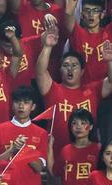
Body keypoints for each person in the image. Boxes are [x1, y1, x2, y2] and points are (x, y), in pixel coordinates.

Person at [36, 15, 112, 149]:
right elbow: (41, 72)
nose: (70, 68)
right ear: (60, 70)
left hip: (88, 153)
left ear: (82, 71)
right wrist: (47, 47)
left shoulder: (93, 90)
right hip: (56, 152)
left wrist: (110, 62)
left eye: (74, 65)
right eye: (65, 65)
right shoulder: (52, 89)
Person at [48, 109, 100, 185]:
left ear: (91, 126)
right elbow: (54, 171)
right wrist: (49, 147)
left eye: (83, 123)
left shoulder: (98, 149)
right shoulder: (65, 150)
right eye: (74, 123)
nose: (79, 127)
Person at [65, 0, 112, 82]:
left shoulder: (108, 31)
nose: (91, 14)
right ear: (81, 15)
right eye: (87, 10)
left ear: (102, 15)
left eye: (95, 11)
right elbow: (69, 12)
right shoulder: (77, 32)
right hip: (82, 89)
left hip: (106, 89)